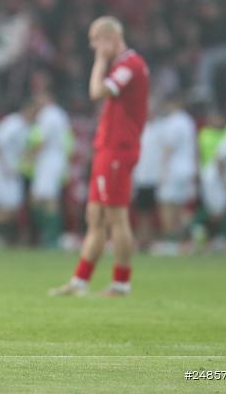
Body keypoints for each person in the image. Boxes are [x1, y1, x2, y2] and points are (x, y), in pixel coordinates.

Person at [49, 16, 149, 297]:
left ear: (110, 38)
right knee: (95, 216)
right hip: (107, 147)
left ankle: (121, 283)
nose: (93, 46)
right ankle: (79, 281)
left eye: (96, 40)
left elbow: (97, 91)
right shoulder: (125, 66)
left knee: (117, 217)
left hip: (119, 148)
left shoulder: (131, 65)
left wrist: (100, 62)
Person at [0, 101, 36, 247]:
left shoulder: (27, 128)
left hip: (11, 172)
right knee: (8, 208)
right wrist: (3, 166)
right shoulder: (12, 123)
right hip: (0, 170)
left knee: (10, 208)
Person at [153, 96, 197, 254]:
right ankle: (184, 240)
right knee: (180, 206)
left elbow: (168, 148)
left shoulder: (174, 122)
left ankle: (170, 243)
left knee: (166, 204)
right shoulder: (188, 121)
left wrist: (162, 170)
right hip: (187, 168)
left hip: (173, 169)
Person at [29, 91, 71, 248]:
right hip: (52, 160)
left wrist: (30, 155)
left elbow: (42, 141)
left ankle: (52, 239)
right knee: (39, 198)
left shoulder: (50, 114)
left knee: (48, 199)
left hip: (50, 160)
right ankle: (47, 236)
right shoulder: (58, 114)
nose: (37, 100)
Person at [131, 106, 163, 252]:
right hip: (141, 176)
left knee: (153, 211)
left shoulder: (159, 130)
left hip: (154, 176)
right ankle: (142, 240)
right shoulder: (138, 130)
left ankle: (151, 239)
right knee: (142, 211)